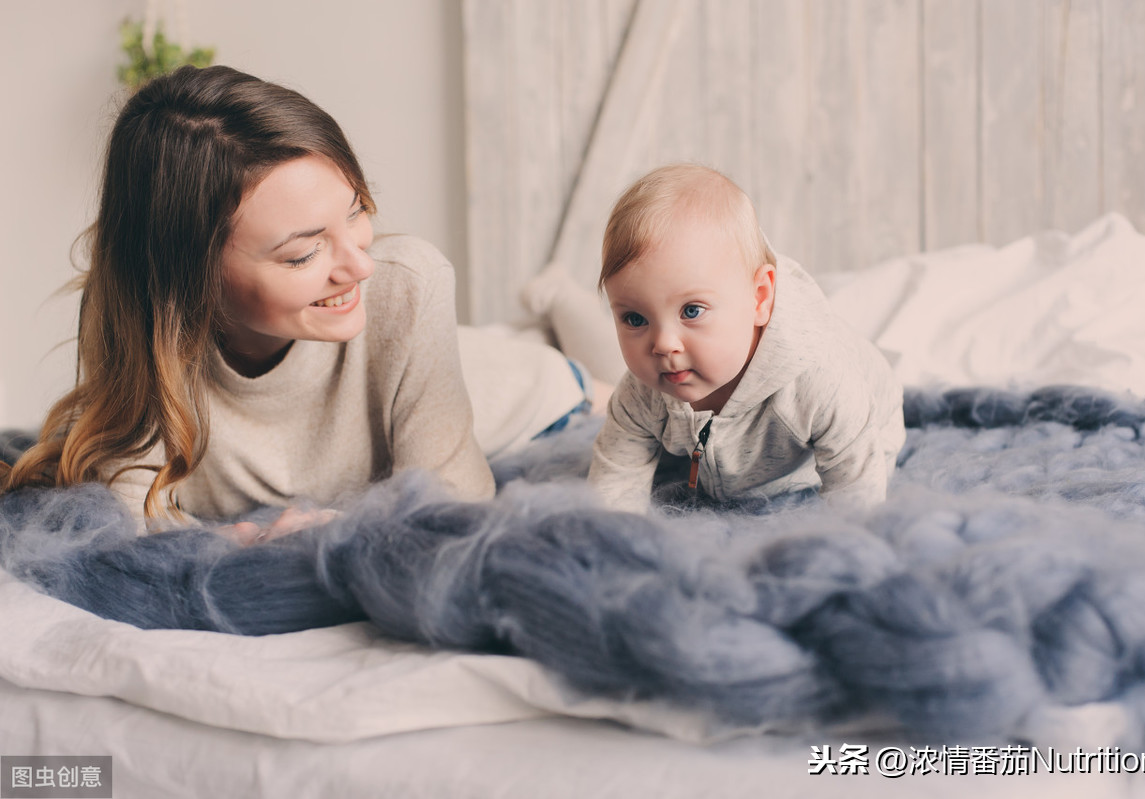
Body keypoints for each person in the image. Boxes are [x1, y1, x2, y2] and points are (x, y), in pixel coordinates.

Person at [0, 65, 588, 541]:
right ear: (188, 279)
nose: (361, 264)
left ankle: (558, 302)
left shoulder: (406, 280)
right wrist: (231, 544)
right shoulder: (140, 325)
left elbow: (450, 507)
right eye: (303, 254)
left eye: (357, 209)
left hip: (534, 398)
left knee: (621, 367)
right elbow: (129, 514)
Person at [587, 164, 906, 512]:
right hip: (721, 457)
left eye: (691, 311)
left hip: (859, 435)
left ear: (759, 299)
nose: (663, 344)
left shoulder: (817, 378)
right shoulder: (642, 391)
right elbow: (615, 477)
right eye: (635, 318)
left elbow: (856, 482)